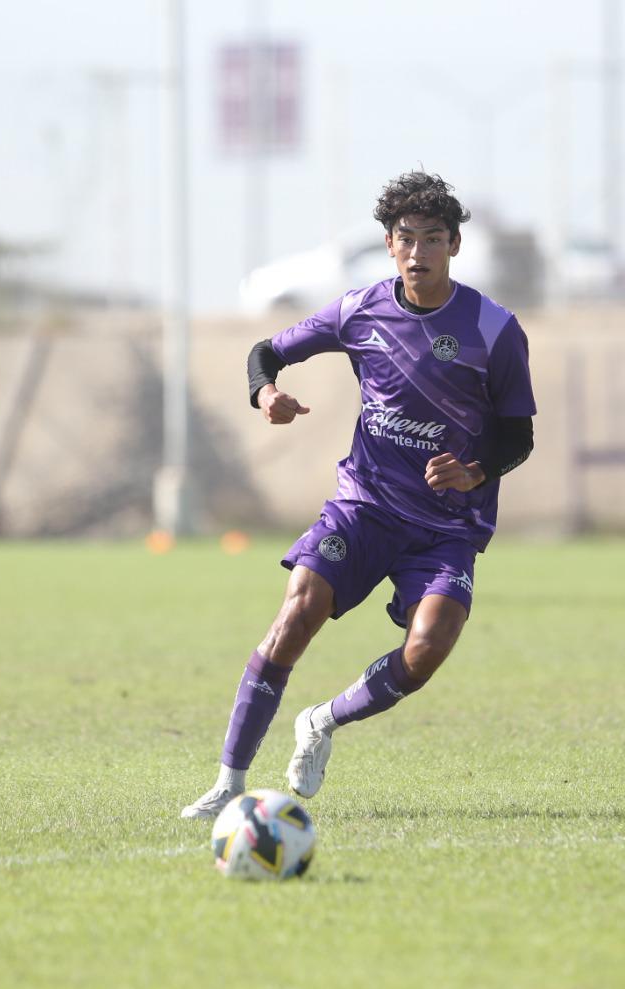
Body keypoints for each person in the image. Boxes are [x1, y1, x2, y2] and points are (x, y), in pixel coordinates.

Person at [181, 171, 537, 819]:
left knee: (427, 649)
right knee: (297, 614)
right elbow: (266, 352)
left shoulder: (494, 328)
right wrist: (266, 394)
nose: (418, 252)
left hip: (447, 526)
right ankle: (228, 785)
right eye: (406, 239)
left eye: (433, 239)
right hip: (364, 507)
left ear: (455, 245)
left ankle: (322, 721)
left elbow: (518, 437)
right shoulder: (360, 310)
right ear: (388, 244)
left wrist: (475, 472)